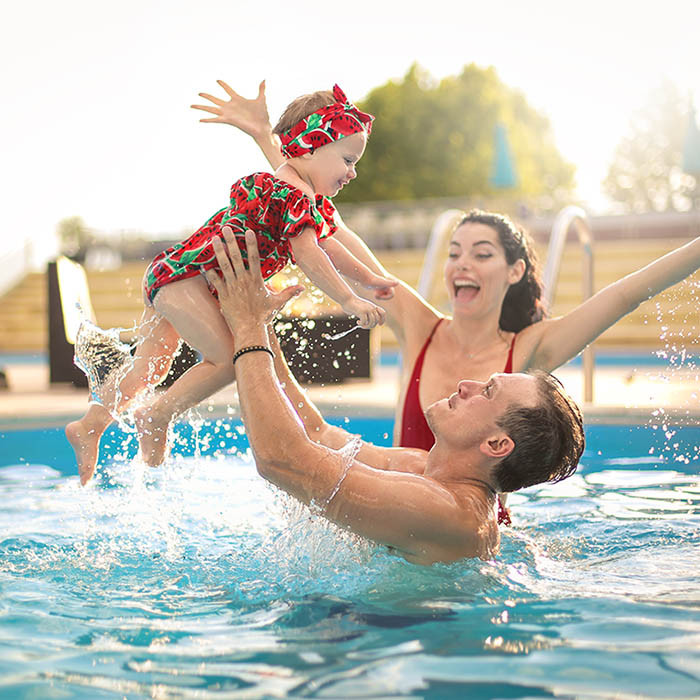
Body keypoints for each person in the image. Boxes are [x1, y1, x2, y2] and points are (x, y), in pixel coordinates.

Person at [196, 79, 700, 524]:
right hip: (395, 507)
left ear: (515, 271)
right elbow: (324, 224)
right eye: (454, 252)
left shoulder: (528, 358)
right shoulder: (421, 331)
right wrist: (273, 141)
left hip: (427, 523)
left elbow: (626, 293)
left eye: (481, 254)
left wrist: (247, 328)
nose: (461, 265)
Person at [67, 84, 397, 484]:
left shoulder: (301, 197)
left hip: (175, 275)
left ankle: (90, 424)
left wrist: (371, 279)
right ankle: (156, 416)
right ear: (310, 147)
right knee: (228, 361)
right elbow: (311, 255)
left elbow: (329, 244)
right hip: (188, 280)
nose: (353, 172)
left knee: (151, 366)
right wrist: (347, 299)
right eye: (347, 159)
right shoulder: (290, 194)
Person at [205, 227, 585, 565]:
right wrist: (259, 322)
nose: (467, 385)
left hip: (392, 636)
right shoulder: (423, 468)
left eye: (487, 391)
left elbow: (283, 461)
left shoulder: (447, 512)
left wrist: (248, 327)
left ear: (497, 443)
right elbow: (316, 435)